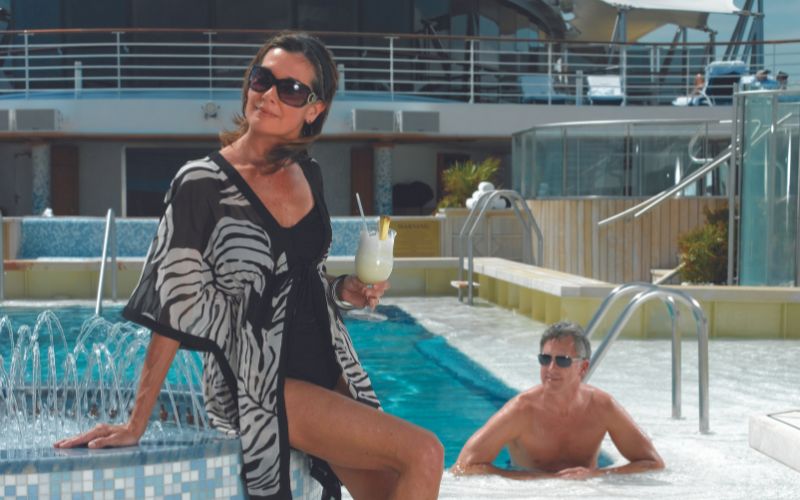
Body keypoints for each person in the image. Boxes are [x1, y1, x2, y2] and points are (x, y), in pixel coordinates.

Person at [54, 32, 444, 500]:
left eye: (292, 90)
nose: (270, 95)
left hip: (330, 365)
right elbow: (172, 306)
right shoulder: (201, 183)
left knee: (395, 486)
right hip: (261, 381)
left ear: (314, 109)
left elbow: (303, 279)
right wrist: (137, 421)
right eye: (263, 79)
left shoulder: (310, 175)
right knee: (425, 452)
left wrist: (346, 290)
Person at [452, 321, 664, 480]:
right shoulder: (522, 411)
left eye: (562, 360)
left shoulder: (601, 407)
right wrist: (537, 480)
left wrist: (597, 475)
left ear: (583, 367)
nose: (551, 369)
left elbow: (653, 463)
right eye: (545, 359)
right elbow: (464, 466)